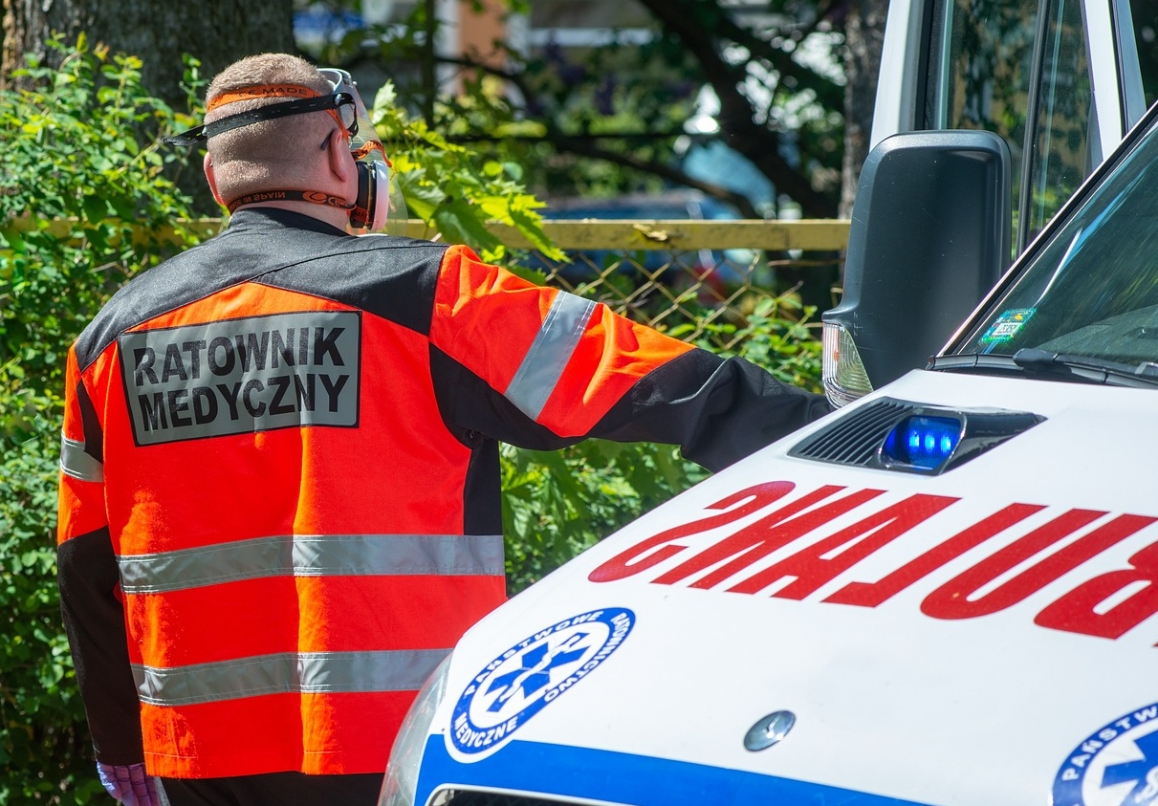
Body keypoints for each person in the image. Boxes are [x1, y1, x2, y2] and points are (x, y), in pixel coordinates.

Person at [56, 53, 830, 806]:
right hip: (401, 741)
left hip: (202, 753)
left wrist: (121, 746)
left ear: (215, 176)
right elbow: (676, 387)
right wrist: (855, 439)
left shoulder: (108, 340)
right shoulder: (428, 293)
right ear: (337, 152)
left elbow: (85, 568)